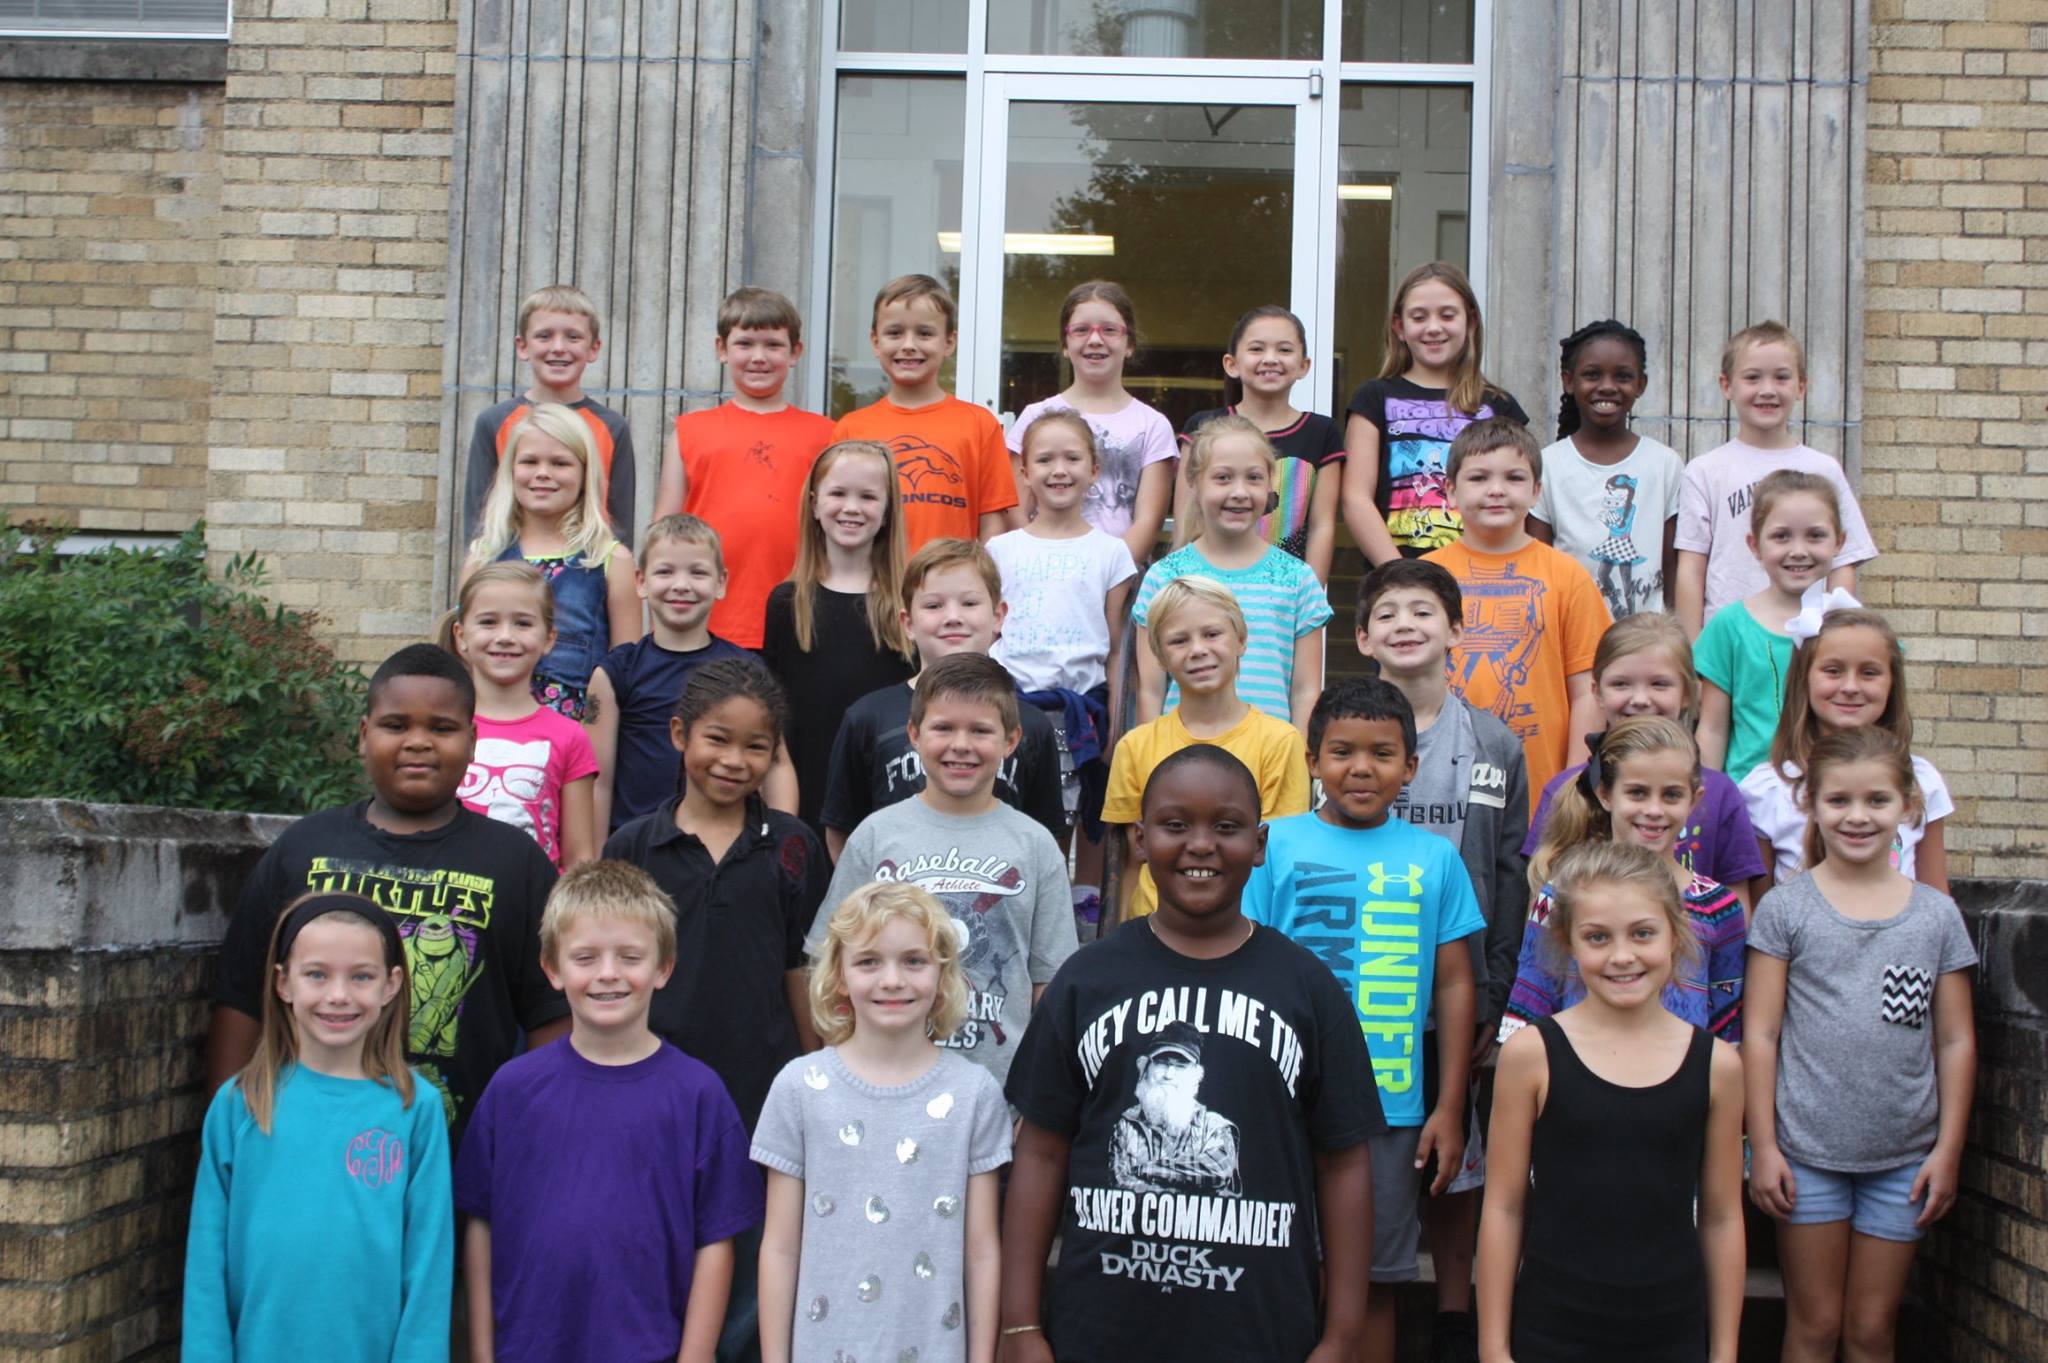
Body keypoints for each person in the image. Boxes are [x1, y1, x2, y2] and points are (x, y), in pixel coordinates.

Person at [999, 746, 1383, 1363]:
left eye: (1226, 827)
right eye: (1175, 825)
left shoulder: (1307, 988)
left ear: (1259, 844)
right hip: (1099, 1333)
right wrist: (1019, 1325)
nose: (1200, 845)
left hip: (1260, 1336)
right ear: (1140, 839)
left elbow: (1344, 1164)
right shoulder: (1086, 980)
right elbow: (1041, 1152)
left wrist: (1342, 1335)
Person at [201, 643, 567, 1149]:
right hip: (304, 1149)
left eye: (441, 728)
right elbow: (242, 998)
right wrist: (226, 1137)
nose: (418, 742)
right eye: (396, 725)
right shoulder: (303, 849)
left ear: (472, 741)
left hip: (458, 1157)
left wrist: (528, 1141)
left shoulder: (516, 863)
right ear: (363, 735)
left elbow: (551, 1016)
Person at [1242, 678, 1482, 1363]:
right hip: (1280, 1103)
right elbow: (1244, 960)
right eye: (1342, 751)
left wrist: (1450, 1106)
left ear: (1411, 766)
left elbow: (1455, 982)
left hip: (1390, 1110)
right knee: (1277, 1275)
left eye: (1382, 753)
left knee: (1373, 1282)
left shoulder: (1435, 857)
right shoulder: (1273, 845)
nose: (1361, 768)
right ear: (1312, 759)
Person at [456, 860, 764, 1363]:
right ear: (552, 968)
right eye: (585, 957)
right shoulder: (512, 1090)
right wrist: (482, 1355)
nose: (608, 974)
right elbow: (480, 1227)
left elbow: (716, 1241)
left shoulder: (698, 1094)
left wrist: (696, 1356)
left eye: (630, 957)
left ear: (663, 966)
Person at [1744, 727, 1978, 1363]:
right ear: (1811, 804)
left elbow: (1955, 1039)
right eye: (1839, 800)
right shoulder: (1785, 910)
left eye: (1877, 800)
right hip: (1805, 1155)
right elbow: (1760, 1035)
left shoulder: (1935, 917)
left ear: (1908, 806)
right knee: (1814, 1326)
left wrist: (1948, 1150)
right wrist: (1763, 1147)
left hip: (1905, 1160)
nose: (1857, 816)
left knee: (1873, 1330)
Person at [1353, 558, 1530, 1361]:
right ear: (1363, 638)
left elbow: (1509, 871)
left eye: (1423, 611)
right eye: (1388, 613)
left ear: (1457, 629)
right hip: (1364, 989)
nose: (1406, 625)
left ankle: (1455, 1312)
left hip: (1459, 993)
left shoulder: (1494, 742)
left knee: (1456, 1157)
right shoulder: (1344, 732)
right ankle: (1356, 1296)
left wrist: (1495, 988)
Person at [1476, 842, 1746, 1363]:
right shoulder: (1532, 1056)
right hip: (1551, 1332)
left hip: (1672, 1333)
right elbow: (1504, 1207)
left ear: (1676, 934)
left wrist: (1725, 1352)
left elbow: (1721, 1217)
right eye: (1598, 937)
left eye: (1642, 933)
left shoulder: (1717, 1066)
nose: (1622, 956)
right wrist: (1493, 1347)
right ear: (1568, 943)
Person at [183, 893, 452, 1361]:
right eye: (317, 974)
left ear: (391, 985)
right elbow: (206, 1266)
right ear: (283, 983)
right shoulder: (240, 1103)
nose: (339, 995)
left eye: (361, 976)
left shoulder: (416, 1108)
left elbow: (428, 1266)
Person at [754, 882, 1010, 1363]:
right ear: (838, 975)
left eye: (913, 961)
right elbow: (781, 1248)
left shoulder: (975, 1094)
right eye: (869, 962)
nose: (892, 980)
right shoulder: (798, 1088)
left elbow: (981, 1252)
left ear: (943, 974)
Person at [817, 652, 1079, 1095]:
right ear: (914, 734)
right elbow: (831, 965)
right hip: (881, 1086)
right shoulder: (875, 836)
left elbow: (1050, 986)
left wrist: (1038, 1101)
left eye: (980, 730)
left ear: (1011, 740)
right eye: (943, 728)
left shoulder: (1036, 847)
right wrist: (841, 1074)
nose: (961, 744)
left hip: (998, 1095)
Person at [1501, 717, 1746, 1045]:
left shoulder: (1718, 907)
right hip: (1576, 1073)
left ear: (1694, 800)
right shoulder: (1561, 894)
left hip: (1683, 1076)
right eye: (1637, 793)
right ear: (1605, 794)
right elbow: (1527, 1014)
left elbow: (1727, 1031)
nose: (1654, 809)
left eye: (1672, 795)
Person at [988, 409, 1140, 932]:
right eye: (1045, 459)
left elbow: (1116, 646)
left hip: (1082, 706)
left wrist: (1115, 721)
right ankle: (1024, 915)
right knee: (1023, 820)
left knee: (1085, 815)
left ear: (1094, 469)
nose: (1059, 470)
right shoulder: (1001, 550)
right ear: (1024, 471)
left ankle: (1081, 914)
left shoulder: (1111, 553)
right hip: (1014, 707)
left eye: (1073, 458)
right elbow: (989, 636)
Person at [818, 537, 1066, 856]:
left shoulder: (1031, 724)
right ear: (908, 623)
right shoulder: (867, 717)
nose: (952, 617)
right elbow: (842, 831)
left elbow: (1047, 837)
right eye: (934, 606)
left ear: (998, 616)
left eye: (969, 603)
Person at [1102, 576, 1311, 920]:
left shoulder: (1280, 742)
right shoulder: (1136, 747)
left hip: (1244, 930)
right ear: (1160, 656)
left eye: (1212, 634)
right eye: (1179, 640)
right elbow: (1128, 863)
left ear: (1241, 640)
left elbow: (1278, 860)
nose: (1198, 649)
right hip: (1153, 930)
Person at [1524, 612, 1767, 907]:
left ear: (1688, 693)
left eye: (1659, 684)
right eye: (1621, 684)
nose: (1640, 699)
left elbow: (1735, 911)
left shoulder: (1720, 793)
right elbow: (1540, 908)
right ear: (1596, 692)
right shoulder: (1564, 787)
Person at [1423, 417, 1610, 796]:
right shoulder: (1422, 576)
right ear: (1451, 491)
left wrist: (1571, 786)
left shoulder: (1568, 576)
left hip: (1540, 790)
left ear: (1537, 491)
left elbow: (1588, 692)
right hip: (1438, 789)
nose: (1496, 490)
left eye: (1514, 478)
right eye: (1479, 478)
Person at [655, 287, 836, 648]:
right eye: (745, 344)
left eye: (773, 345)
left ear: (795, 352)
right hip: (709, 619)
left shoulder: (827, 434)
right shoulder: (690, 431)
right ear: (721, 349)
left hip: (803, 617)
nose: (759, 357)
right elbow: (664, 530)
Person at [1674, 320, 1877, 635]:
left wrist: (1836, 637)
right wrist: (1694, 651)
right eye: (1752, 377)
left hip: (1807, 640)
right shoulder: (1704, 471)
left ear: (1801, 386)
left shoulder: (1824, 469)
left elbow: (1843, 564)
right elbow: (1691, 569)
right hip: (1730, 641)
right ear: (1727, 386)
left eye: (1781, 377)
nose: (1767, 390)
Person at [1131, 414, 1331, 730]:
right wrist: (1151, 754)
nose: (1240, 492)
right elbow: (1150, 690)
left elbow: (1306, 691)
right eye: (1223, 478)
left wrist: (1301, 754)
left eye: (1254, 478)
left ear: (1270, 483)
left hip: (1270, 753)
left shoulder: (1298, 579)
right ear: (1194, 483)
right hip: (1184, 753)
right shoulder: (1164, 577)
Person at [759, 439, 916, 834]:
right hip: (805, 793)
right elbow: (773, 719)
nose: (851, 507)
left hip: (888, 801)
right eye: (838, 493)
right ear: (814, 504)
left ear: (887, 512)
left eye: (868, 497)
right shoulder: (786, 603)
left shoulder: (909, 605)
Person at [1741, 604, 1953, 890]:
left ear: (1892, 682)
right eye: (1833, 671)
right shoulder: (1767, 789)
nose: (1850, 686)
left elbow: (1937, 901)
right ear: (1804, 679)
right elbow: (1762, 911)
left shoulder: (1922, 781)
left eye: (1869, 672)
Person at [586, 513, 771, 834]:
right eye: (665, 571)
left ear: (720, 583)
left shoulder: (748, 670)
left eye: (697, 572)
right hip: (638, 847)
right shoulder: (615, 672)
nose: (681, 585)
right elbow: (597, 781)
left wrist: (778, 843)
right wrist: (595, 858)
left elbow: (777, 766)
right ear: (641, 581)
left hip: (726, 844)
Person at [1341, 261, 1529, 564]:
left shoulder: (1499, 405)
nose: (1433, 327)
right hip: (1397, 576)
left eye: (1447, 315)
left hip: (1482, 573)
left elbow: (1518, 496)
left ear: (1470, 322)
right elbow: (1355, 498)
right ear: (1399, 327)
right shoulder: (1373, 398)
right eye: (1419, 317)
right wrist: (1401, 574)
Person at [463, 403, 639, 721]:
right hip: (493, 734)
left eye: (560, 463)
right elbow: (463, 660)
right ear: (510, 470)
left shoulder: (612, 560)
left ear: (585, 473)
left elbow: (626, 674)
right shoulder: (482, 558)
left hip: (579, 738)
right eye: (530, 461)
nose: (543, 473)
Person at [831, 273, 1021, 550]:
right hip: (871, 578)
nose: (909, 345)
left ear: (949, 342)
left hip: (951, 576)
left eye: (924, 333)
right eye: (895, 333)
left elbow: (992, 523)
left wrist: (979, 573)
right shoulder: (851, 429)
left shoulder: (979, 424)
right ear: (875, 341)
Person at [1004, 279, 1176, 565]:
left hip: (1121, 578)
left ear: (1130, 343)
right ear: (1065, 344)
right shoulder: (1035, 416)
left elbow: (1149, 521)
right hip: (1042, 572)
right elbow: (1015, 509)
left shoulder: (1152, 425)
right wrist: (1046, 566)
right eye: (1081, 330)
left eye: (1109, 330)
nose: (1095, 340)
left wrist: (1108, 576)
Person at [439, 562, 598, 868]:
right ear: (461, 635)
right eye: (488, 622)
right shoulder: (439, 727)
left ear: (549, 638)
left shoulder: (570, 736)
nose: (505, 636)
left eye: (523, 624)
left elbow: (579, 858)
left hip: (534, 895)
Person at [1695, 471, 1847, 780]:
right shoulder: (1729, 627)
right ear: (1754, 545)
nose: (1799, 550)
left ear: (1839, 542)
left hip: (1835, 795)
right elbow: (1712, 729)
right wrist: (1709, 799)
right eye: (1781, 536)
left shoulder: (1854, 629)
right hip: (1748, 800)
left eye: (1815, 535)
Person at [462, 283, 636, 547]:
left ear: (593, 348)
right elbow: (479, 518)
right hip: (510, 565)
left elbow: (620, 521)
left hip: (588, 564)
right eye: (544, 336)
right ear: (522, 346)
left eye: (573, 337)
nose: (558, 347)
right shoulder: (493, 422)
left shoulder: (612, 427)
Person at [1180, 305, 1346, 581]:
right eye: (1257, 349)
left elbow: (1322, 526)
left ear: (1304, 366)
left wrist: (1310, 595)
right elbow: (1188, 516)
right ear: (1231, 364)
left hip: (1286, 590)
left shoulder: (1322, 432)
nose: (1270, 359)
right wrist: (1189, 586)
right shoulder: (1203, 427)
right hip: (1210, 588)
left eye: (1284, 350)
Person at [1530, 319, 1683, 618]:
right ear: (1569, 381)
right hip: (1571, 634)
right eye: (1592, 375)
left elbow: (1673, 565)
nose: (1608, 386)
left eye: (1623, 376)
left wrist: (1678, 634)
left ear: (1641, 385)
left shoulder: (1665, 464)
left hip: (1648, 637)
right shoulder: (1546, 465)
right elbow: (1539, 566)